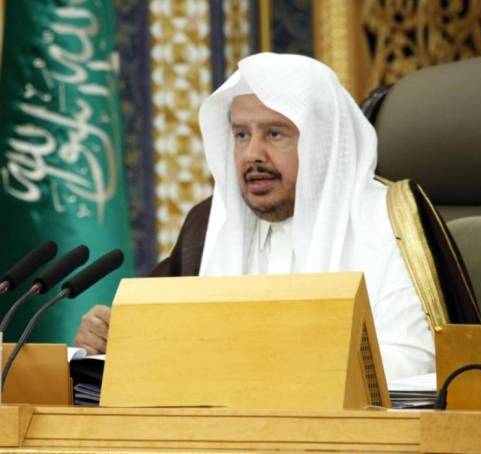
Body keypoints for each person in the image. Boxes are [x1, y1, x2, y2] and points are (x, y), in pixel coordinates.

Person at [74, 53, 435, 384]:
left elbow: (417, 361)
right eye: (241, 135)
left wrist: (262, 369)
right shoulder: (208, 224)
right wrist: (108, 337)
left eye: (274, 134)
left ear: (323, 142)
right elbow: (156, 341)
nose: (252, 155)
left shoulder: (391, 220)